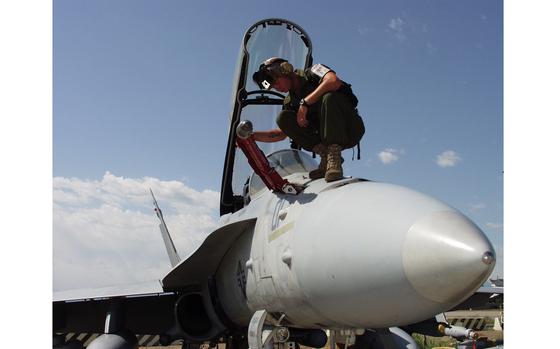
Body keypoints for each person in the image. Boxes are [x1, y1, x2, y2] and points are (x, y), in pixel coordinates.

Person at [251, 57, 365, 182]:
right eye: (273, 87)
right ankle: (326, 155)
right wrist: (250, 137)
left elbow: (333, 81)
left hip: (349, 128)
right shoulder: (290, 102)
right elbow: (281, 134)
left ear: (285, 70)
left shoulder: (314, 71)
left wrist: (305, 103)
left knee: (329, 97)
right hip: (326, 135)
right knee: (283, 118)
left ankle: (333, 156)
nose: (276, 88)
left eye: (276, 82)